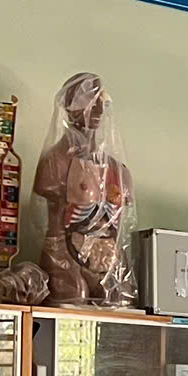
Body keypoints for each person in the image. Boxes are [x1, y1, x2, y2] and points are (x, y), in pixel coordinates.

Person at [34, 72, 138, 309]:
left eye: (101, 99)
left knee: (120, 299)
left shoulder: (118, 170)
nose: (97, 108)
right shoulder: (55, 163)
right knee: (73, 295)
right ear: (68, 107)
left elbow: (118, 230)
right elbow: (53, 224)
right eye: (88, 98)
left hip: (107, 257)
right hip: (64, 252)